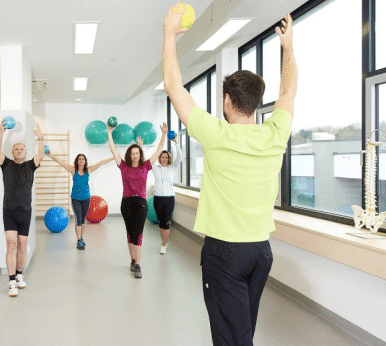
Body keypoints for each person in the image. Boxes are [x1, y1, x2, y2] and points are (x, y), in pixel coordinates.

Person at [163, 4, 297, 345]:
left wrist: (169, 35)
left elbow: (174, 88)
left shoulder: (216, 134)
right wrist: (288, 48)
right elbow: (288, 92)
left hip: (225, 254)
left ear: (226, 101)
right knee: (243, 331)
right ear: (256, 102)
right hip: (260, 253)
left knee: (230, 338)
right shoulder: (275, 133)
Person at [107, 123, 168, 278]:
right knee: (130, 233)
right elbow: (113, 150)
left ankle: (138, 265)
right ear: (129, 155)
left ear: (140, 154)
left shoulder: (146, 166)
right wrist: (109, 133)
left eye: (137, 153)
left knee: (138, 233)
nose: (134, 155)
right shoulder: (123, 166)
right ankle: (133, 260)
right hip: (126, 203)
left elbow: (159, 151)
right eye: (132, 153)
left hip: (141, 203)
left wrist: (163, 134)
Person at [0, 119, 45, 297]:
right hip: (9, 210)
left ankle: (20, 276)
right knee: (11, 244)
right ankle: (11, 280)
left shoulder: (31, 165)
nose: (18, 151)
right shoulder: (6, 164)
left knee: (22, 245)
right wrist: (1, 132)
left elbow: (41, 155)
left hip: (25, 211)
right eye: (16, 149)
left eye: (21, 149)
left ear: (25, 152)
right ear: (12, 152)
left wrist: (40, 138)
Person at [46, 151, 114, 249]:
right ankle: (79, 240)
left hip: (86, 198)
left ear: (85, 161)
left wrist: (113, 158)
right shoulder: (73, 170)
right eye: (80, 159)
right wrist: (50, 155)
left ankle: (81, 237)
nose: (81, 160)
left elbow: (101, 162)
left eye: (83, 159)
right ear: (77, 161)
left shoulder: (89, 170)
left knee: (83, 220)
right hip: (76, 199)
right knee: (78, 219)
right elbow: (60, 162)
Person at [150, 133, 184, 254]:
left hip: (169, 199)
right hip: (158, 198)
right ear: (160, 159)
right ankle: (164, 241)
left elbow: (180, 157)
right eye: (162, 157)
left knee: (166, 222)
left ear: (169, 158)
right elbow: (148, 161)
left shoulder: (172, 168)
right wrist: (140, 146)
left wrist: (176, 143)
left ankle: (163, 244)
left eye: (166, 157)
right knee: (161, 222)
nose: (164, 159)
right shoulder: (155, 168)